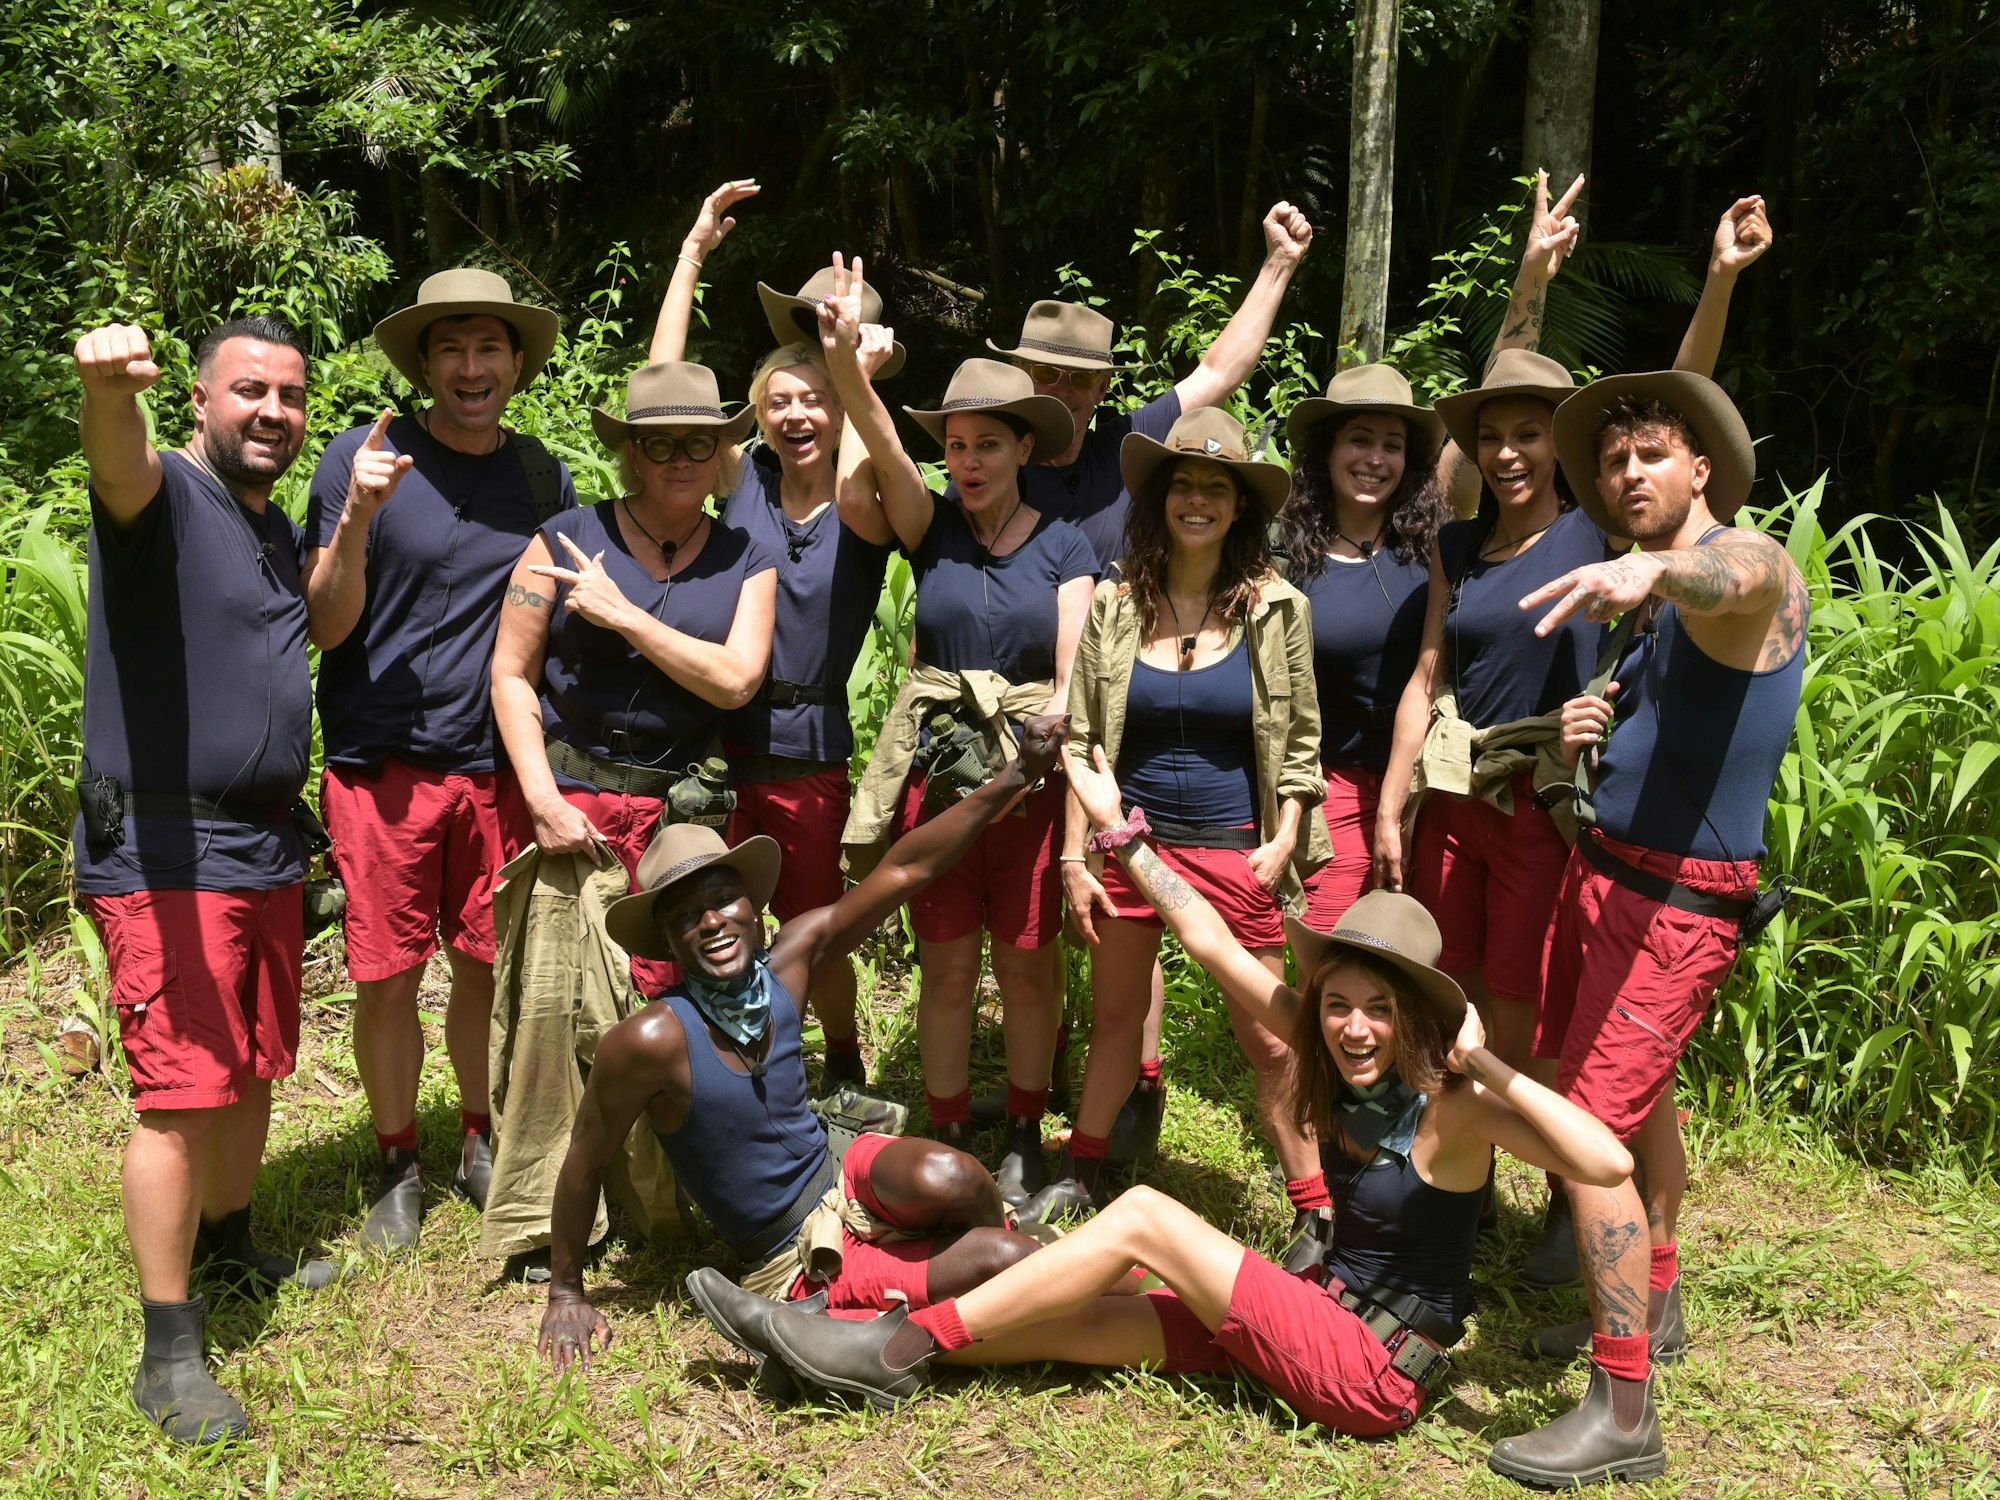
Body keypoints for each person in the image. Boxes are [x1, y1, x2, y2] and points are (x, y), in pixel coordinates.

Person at [688, 746, 1633, 1437]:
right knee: (1054, 1321)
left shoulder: (1453, 1109)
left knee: (1145, 1217)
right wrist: (1117, 833)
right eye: (1337, 1005)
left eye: (1379, 1012)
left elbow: (1605, 1159)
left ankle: (889, 1350)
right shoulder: (1332, 1056)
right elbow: (1214, 941)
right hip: (1311, 1313)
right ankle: (837, 1331)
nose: (1351, 1027)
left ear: (1419, 1022)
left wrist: (1490, 1062)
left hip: (1373, 1370)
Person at [1482, 370, 1805, 1487]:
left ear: (1700, 468)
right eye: (1614, 463)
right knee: (1633, 1099)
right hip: (1605, 879)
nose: (1626, 477)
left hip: (1673, 907)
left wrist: (1658, 567)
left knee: (1585, 1139)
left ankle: (1623, 1407)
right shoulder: (1661, 605)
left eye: (1650, 457)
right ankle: (1652, 1298)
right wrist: (1589, 728)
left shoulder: (1739, 570)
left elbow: (1742, 572)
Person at [534, 715, 1072, 1380]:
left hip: (838, 1168)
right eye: (686, 917)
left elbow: (906, 868)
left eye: (723, 900)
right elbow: (584, 1158)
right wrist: (566, 1291)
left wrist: (1019, 775)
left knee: (958, 1176)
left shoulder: (790, 965)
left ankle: (963, 1274)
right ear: (670, 943)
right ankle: (884, 1318)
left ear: (753, 907)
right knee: (1005, 1264)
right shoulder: (652, 1039)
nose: (711, 923)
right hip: (787, 1243)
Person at [981, 202, 1314, 1139]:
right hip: (1032, 733)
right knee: (1048, 931)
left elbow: (1220, 371)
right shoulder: (994, 459)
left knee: (1124, 910)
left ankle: (1141, 1087)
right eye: (1048, 374)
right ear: (1022, 380)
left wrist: (1278, 266)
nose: (1067, 392)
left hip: (1119, 718)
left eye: (1082, 379)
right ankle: (1042, 1104)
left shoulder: (1137, 454)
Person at [71, 315, 339, 1443]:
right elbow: (113, 459)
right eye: (249, 390)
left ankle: (229, 1247)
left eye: (289, 393)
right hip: (169, 853)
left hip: (265, 843)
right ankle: (168, 1350)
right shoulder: (167, 497)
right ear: (197, 398)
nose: (271, 410)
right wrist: (103, 389)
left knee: (253, 1064)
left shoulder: (270, 525)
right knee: (183, 1092)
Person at [303, 268, 573, 1255]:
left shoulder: (540, 477)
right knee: (383, 976)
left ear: (515, 364)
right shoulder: (364, 456)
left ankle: (478, 1137)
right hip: (383, 770)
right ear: (423, 364)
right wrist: (359, 516)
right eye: (451, 349)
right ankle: (391, 1158)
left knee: (482, 969)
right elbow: (327, 627)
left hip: (495, 768)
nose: (471, 368)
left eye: (489, 349)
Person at [827, 258, 1093, 1205]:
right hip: (938, 780)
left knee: (1027, 966)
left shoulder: (1067, 543)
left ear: (1025, 448)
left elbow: (1073, 673)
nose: (968, 461)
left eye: (988, 444)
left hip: (1025, 780)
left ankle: (1022, 1125)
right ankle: (946, 1126)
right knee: (944, 968)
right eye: (957, 444)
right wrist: (848, 361)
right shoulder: (929, 525)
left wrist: (1049, 743)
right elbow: (880, 449)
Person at [1034, 407, 1327, 1226]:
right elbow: (1084, 739)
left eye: (1217, 487)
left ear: (1240, 507)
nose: (1198, 500)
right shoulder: (1118, 604)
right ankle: (1084, 1170)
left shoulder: (1277, 608)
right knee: (1117, 1017)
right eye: (1185, 485)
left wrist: (1286, 836)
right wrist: (1074, 859)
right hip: (1133, 845)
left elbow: (1301, 736)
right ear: (1162, 498)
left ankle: (1315, 1206)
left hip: (1238, 847)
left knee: (1271, 1038)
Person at [648, 185, 900, 1089]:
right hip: (718, 742)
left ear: (841, 410)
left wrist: (858, 374)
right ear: (759, 413)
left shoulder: (863, 498)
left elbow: (872, 442)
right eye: (780, 400)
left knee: (809, 920)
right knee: (712, 920)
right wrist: (690, 260)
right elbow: (660, 398)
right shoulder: (744, 479)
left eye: (816, 399)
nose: (798, 414)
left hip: (806, 754)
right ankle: (725, 1057)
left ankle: (840, 1060)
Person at [488, 359, 778, 994]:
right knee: (551, 986)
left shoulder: (749, 560)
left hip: (675, 815)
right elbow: (510, 673)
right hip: (569, 796)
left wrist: (623, 616)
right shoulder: (564, 539)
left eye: (698, 441)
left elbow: (736, 682)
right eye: (659, 443)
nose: (681, 459)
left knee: (664, 989)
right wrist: (542, 803)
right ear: (634, 454)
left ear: (722, 451)